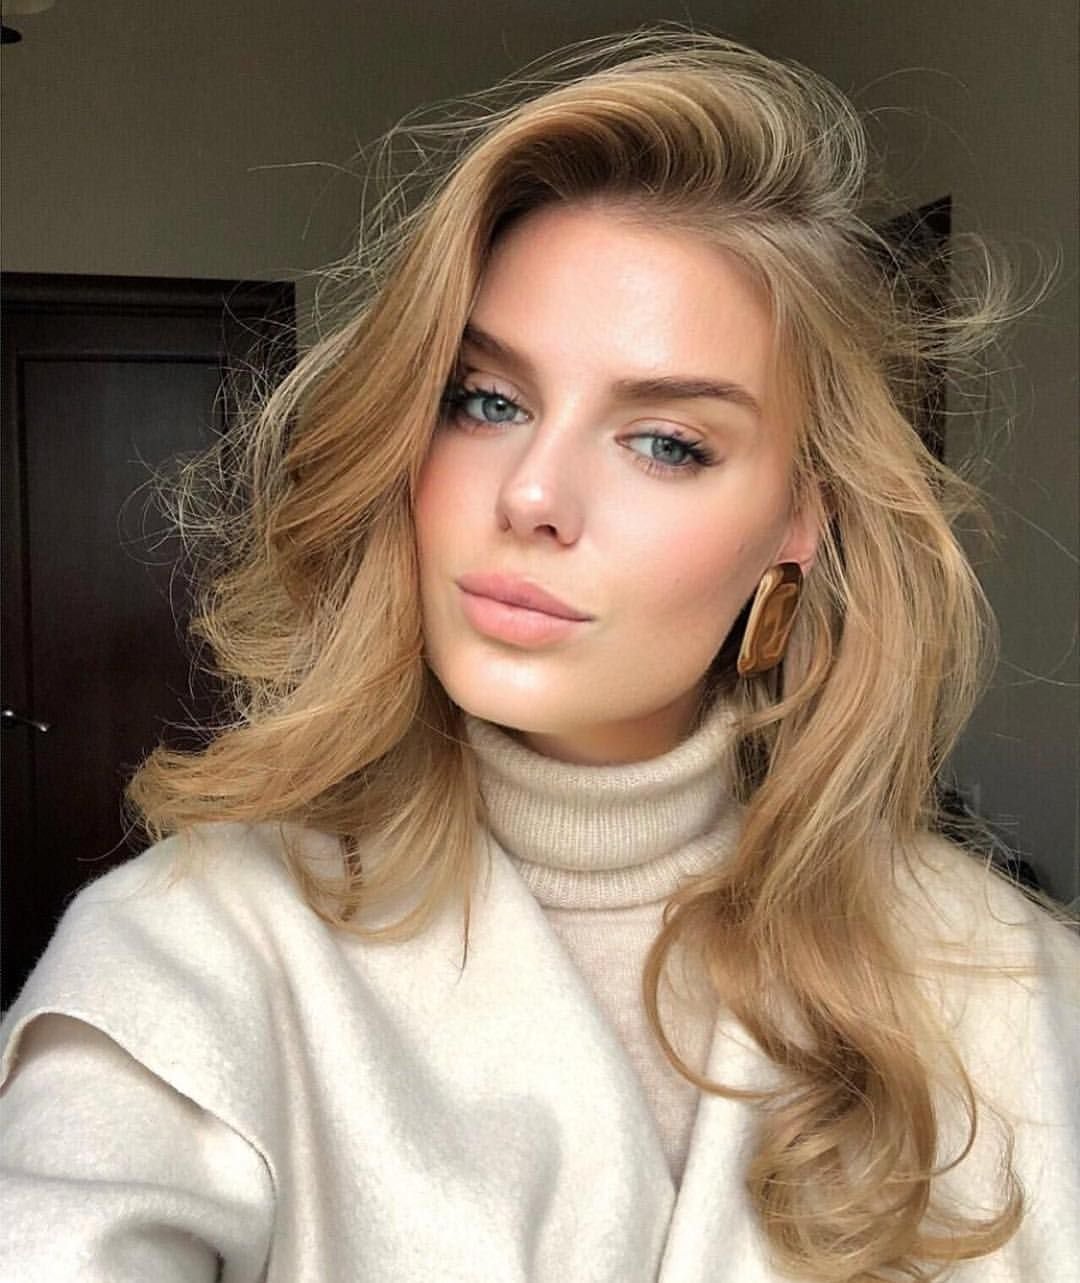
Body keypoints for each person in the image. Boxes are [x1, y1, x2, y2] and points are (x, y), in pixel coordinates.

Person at [1, 30, 1077, 1283]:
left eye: (666, 441)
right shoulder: (189, 949)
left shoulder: (1012, 983)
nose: (532, 493)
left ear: (800, 520)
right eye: (488, 400)